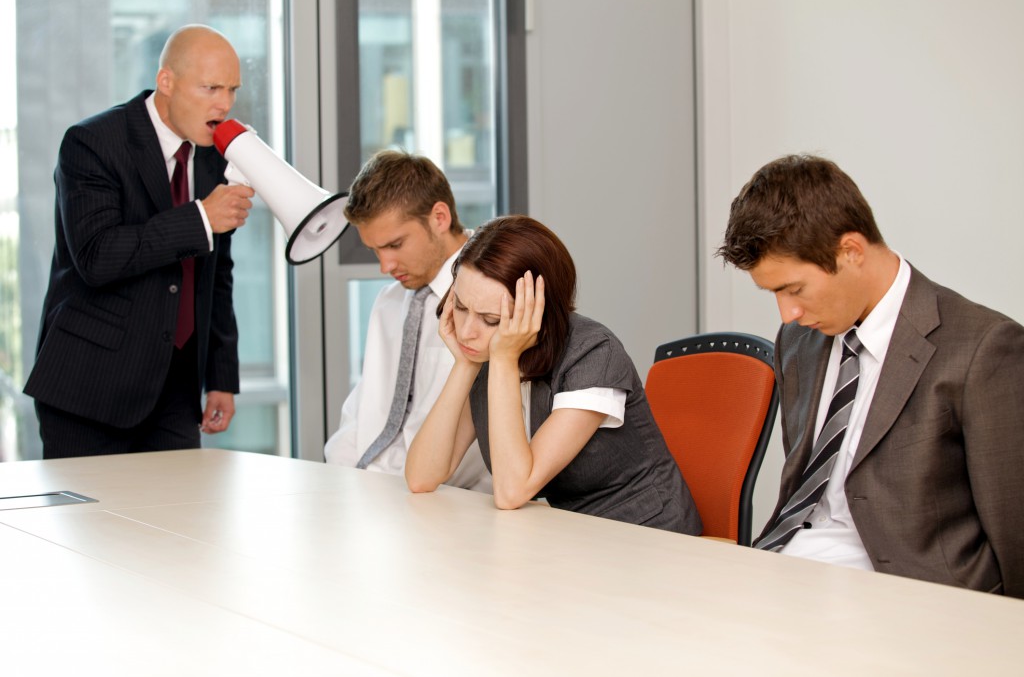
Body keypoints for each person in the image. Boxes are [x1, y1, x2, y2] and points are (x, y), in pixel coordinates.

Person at [717, 154, 1024, 597]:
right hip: (785, 570)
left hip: (909, 594)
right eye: (774, 294)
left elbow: (1014, 532)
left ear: (851, 251)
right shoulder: (799, 342)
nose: (788, 313)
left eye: (794, 289)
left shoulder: (985, 348)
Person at [24, 25, 254, 458]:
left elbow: (214, 273)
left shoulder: (213, 156)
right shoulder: (91, 143)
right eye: (210, 88)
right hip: (88, 389)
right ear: (166, 81)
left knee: (180, 522)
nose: (224, 104)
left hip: (175, 392)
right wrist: (201, 216)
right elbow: (97, 256)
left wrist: (221, 376)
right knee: (86, 525)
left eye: (232, 90)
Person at [405, 215, 702, 534]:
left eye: (490, 319)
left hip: (647, 534)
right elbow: (422, 477)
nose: (466, 331)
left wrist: (503, 360)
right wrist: (465, 364)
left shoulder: (594, 355)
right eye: (460, 307)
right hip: (569, 534)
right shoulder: (487, 353)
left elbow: (511, 491)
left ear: (538, 311)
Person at [323, 151, 490, 491]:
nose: (385, 266)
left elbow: (472, 447)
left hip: (446, 497)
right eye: (375, 251)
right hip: (371, 491)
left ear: (439, 217)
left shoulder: (491, 298)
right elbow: (362, 410)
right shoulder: (389, 302)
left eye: (395, 245)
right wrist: (339, 483)